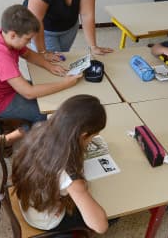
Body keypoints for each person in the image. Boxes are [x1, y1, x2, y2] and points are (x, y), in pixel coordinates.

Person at [0, 4, 82, 145]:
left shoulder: (3, 35)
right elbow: (28, 93)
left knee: (47, 96)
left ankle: (17, 131)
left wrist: (49, 65)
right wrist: (65, 83)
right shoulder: (0, 56)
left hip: (4, 90)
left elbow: (28, 53)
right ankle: (10, 139)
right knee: (46, 113)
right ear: (13, 34)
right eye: (27, 39)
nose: (29, 42)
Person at [11, 95, 108, 233]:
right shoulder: (70, 176)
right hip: (45, 219)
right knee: (110, 214)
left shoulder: (40, 129)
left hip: (28, 200)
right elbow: (100, 226)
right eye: (93, 137)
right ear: (83, 135)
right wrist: (81, 189)